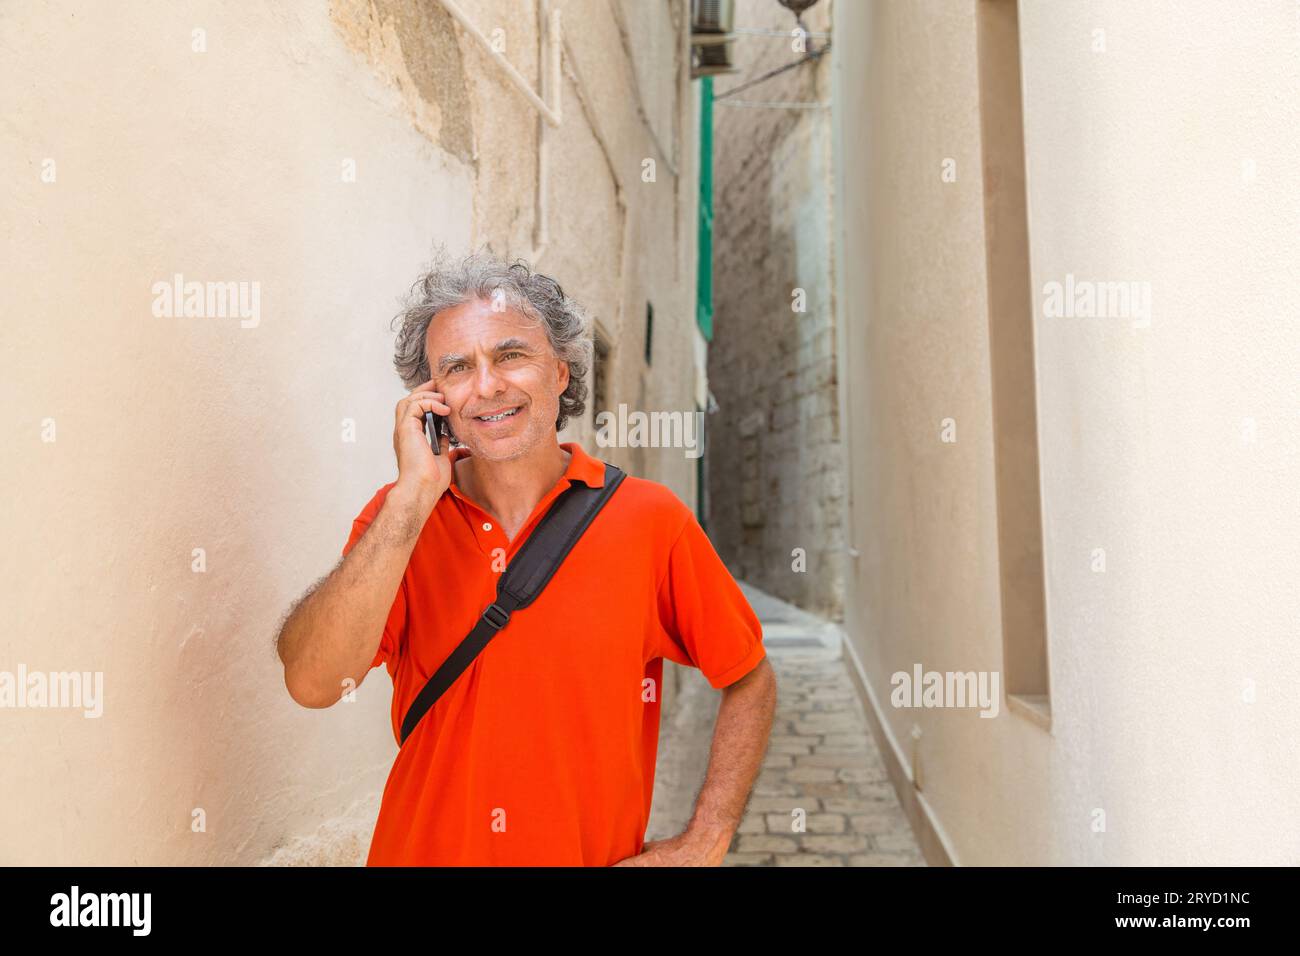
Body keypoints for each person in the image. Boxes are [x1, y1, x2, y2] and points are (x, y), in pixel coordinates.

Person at [276, 247, 776, 866]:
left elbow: (748, 676)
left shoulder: (652, 519)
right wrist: (409, 505)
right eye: (457, 368)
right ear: (432, 399)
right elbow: (313, 682)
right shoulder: (399, 520)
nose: (487, 386)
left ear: (562, 371)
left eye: (510, 355)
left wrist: (706, 840)